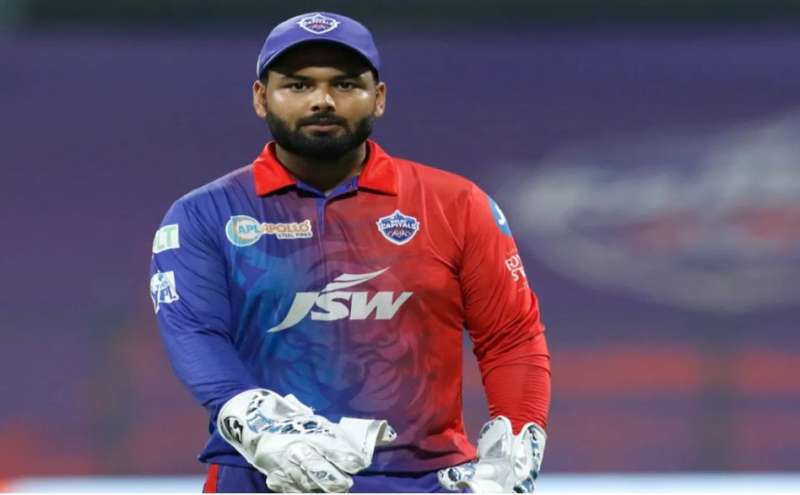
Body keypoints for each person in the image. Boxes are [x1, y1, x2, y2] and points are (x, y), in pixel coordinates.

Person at [149, 11, 551, 493]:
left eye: (344, 84)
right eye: (297, 85)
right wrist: (258, 425)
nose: (322, 100)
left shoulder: (456, 203)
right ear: (260, 97)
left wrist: (520, 435)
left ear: (378, 97)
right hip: (262, 479)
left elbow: (510, 336)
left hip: (424, 482)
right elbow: (195, 334)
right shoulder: (205, 214)